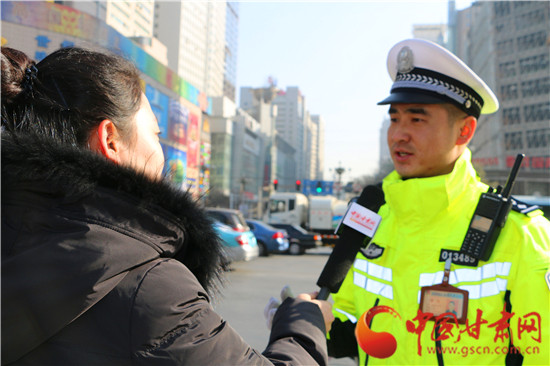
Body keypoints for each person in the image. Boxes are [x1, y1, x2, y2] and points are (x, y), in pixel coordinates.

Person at [1, 46, 333, 365]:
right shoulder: (148, 288)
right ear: (110, 140)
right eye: (156, 134)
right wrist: (303, 325)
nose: (161, 154)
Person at [327, 39, 549, 365]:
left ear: (464, 131)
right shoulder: (372, 219)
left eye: (417, 120)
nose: (399, 134)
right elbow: (349, 318)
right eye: (394, 118)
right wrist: (310, 320)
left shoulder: (521, 234)